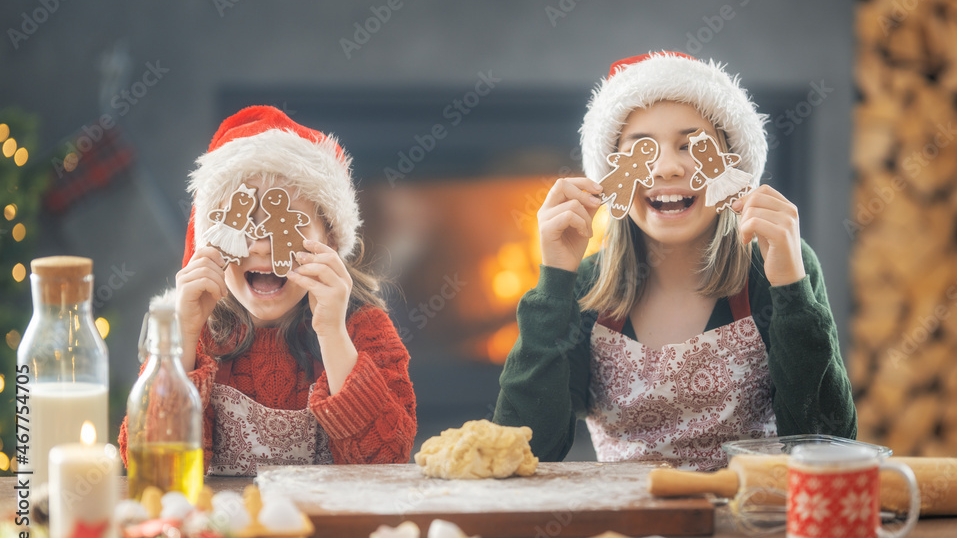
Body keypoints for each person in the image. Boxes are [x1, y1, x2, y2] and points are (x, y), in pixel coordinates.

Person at [493, 52, 856, 470]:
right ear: (610, 175)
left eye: (691, 145)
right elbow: (525, 453)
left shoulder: (775, 265)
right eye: (642, 150)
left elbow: (830, 448)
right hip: (627, 525)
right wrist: (554, 279)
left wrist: (791, 286)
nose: (666, 168)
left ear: (732, 167)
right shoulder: (584, 288)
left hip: (751, 522)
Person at [119, 105, 416, 475]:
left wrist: (332, 334)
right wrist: (184, 335)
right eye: (240, 223)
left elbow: (386, 463)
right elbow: (153, 467)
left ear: (330, 241)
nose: (259, 246)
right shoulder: (195, 336)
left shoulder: (362, 330)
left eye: (285, 225)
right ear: (209, 242)